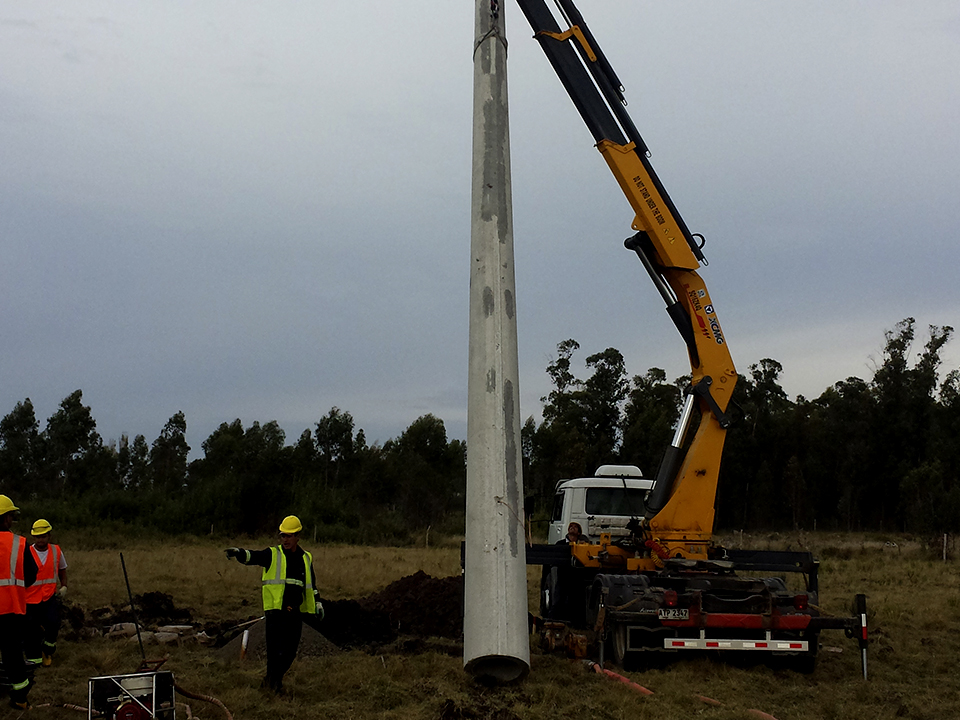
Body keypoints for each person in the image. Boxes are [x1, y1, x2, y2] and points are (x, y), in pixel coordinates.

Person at [224, 515, 324, 694]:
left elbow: (311, 585)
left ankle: (271, 683)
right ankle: (273, 687)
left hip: (295, 612)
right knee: (275, 653)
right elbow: (254, 557)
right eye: (283, 535)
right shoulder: (273, 554)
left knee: (290, 653)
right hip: (276, 612)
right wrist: (239, 553)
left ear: (298, 536)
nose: (285, 539)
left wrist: (318, 603)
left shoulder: (306, 558)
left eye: (289, 536)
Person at [0, 495, 37, 710]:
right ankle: (20, 698)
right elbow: (31, 574)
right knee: (12, 654)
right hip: (11, 609)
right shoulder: (19, 543)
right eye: (11, 516)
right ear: (6, 518)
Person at [24, 519, 68, 668]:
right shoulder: (27, 552)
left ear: (49, 536)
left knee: (53, 623)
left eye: (43, 536)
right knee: (31, 631)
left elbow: (62, 570)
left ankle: (48, 648)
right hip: (30, 599)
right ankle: (35, 660)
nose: (40, 540)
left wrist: (64, 586)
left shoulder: (56, 551)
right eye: (37, 537)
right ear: (33, 537)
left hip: (49, 597)